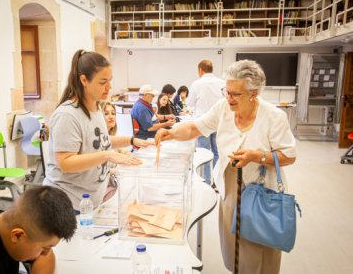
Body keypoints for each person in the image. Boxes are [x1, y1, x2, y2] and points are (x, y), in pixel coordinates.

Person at [155, 60, 296, 274]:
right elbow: (196, 127)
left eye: (235, 94)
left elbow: (289, 155)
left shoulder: (274, 116)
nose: (229, 98)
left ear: (253, 93)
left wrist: (257, 156)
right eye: (226, 91)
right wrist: (172, 133)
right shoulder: (223, 108)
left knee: (258, 251)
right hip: (230, 188)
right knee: (234, 248)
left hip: (261, 193)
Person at [43, 50, 152, 212]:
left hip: (89, 202)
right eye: (102, 82)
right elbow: (65, 163)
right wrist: (107, 155)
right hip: (67, 203)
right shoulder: (67, 115)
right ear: (84, 80)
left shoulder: (96, 107)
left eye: (110, 81)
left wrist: (132, 140)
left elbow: (100, 140)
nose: (109, 87)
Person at [188, 60, 226, 183]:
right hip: (218, 122)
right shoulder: (222, 83)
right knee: (217, 152)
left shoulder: (196, 84)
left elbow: (190, 104)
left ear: (200, 70)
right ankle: (216, 180)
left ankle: (206, 181)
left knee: (204, 152)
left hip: (202, 123)